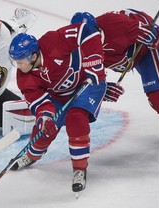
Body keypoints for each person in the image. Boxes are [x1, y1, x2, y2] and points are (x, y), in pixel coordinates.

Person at [8, 21, 107, 194]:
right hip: (59, 95)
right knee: (44, 128)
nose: (18, 66)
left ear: (33, 56)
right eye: (15, 62)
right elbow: (39, 102)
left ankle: (79, 169)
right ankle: (31, 155)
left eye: (21, 61)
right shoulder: (24, 77)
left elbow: (86, 29)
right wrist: (45, 116)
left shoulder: (53, 41)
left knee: (76, 118)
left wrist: (94, 62)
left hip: (87, 84)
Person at [71, 9, 159, 117]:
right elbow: (80, 80)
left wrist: (153, 36)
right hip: (133, 56)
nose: (90, 40)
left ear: (98, 28)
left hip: (145, 47)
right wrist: (103, 89)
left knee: (158, 97)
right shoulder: (78, 51)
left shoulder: (115, 25)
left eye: (92, 34)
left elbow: (154, 34)